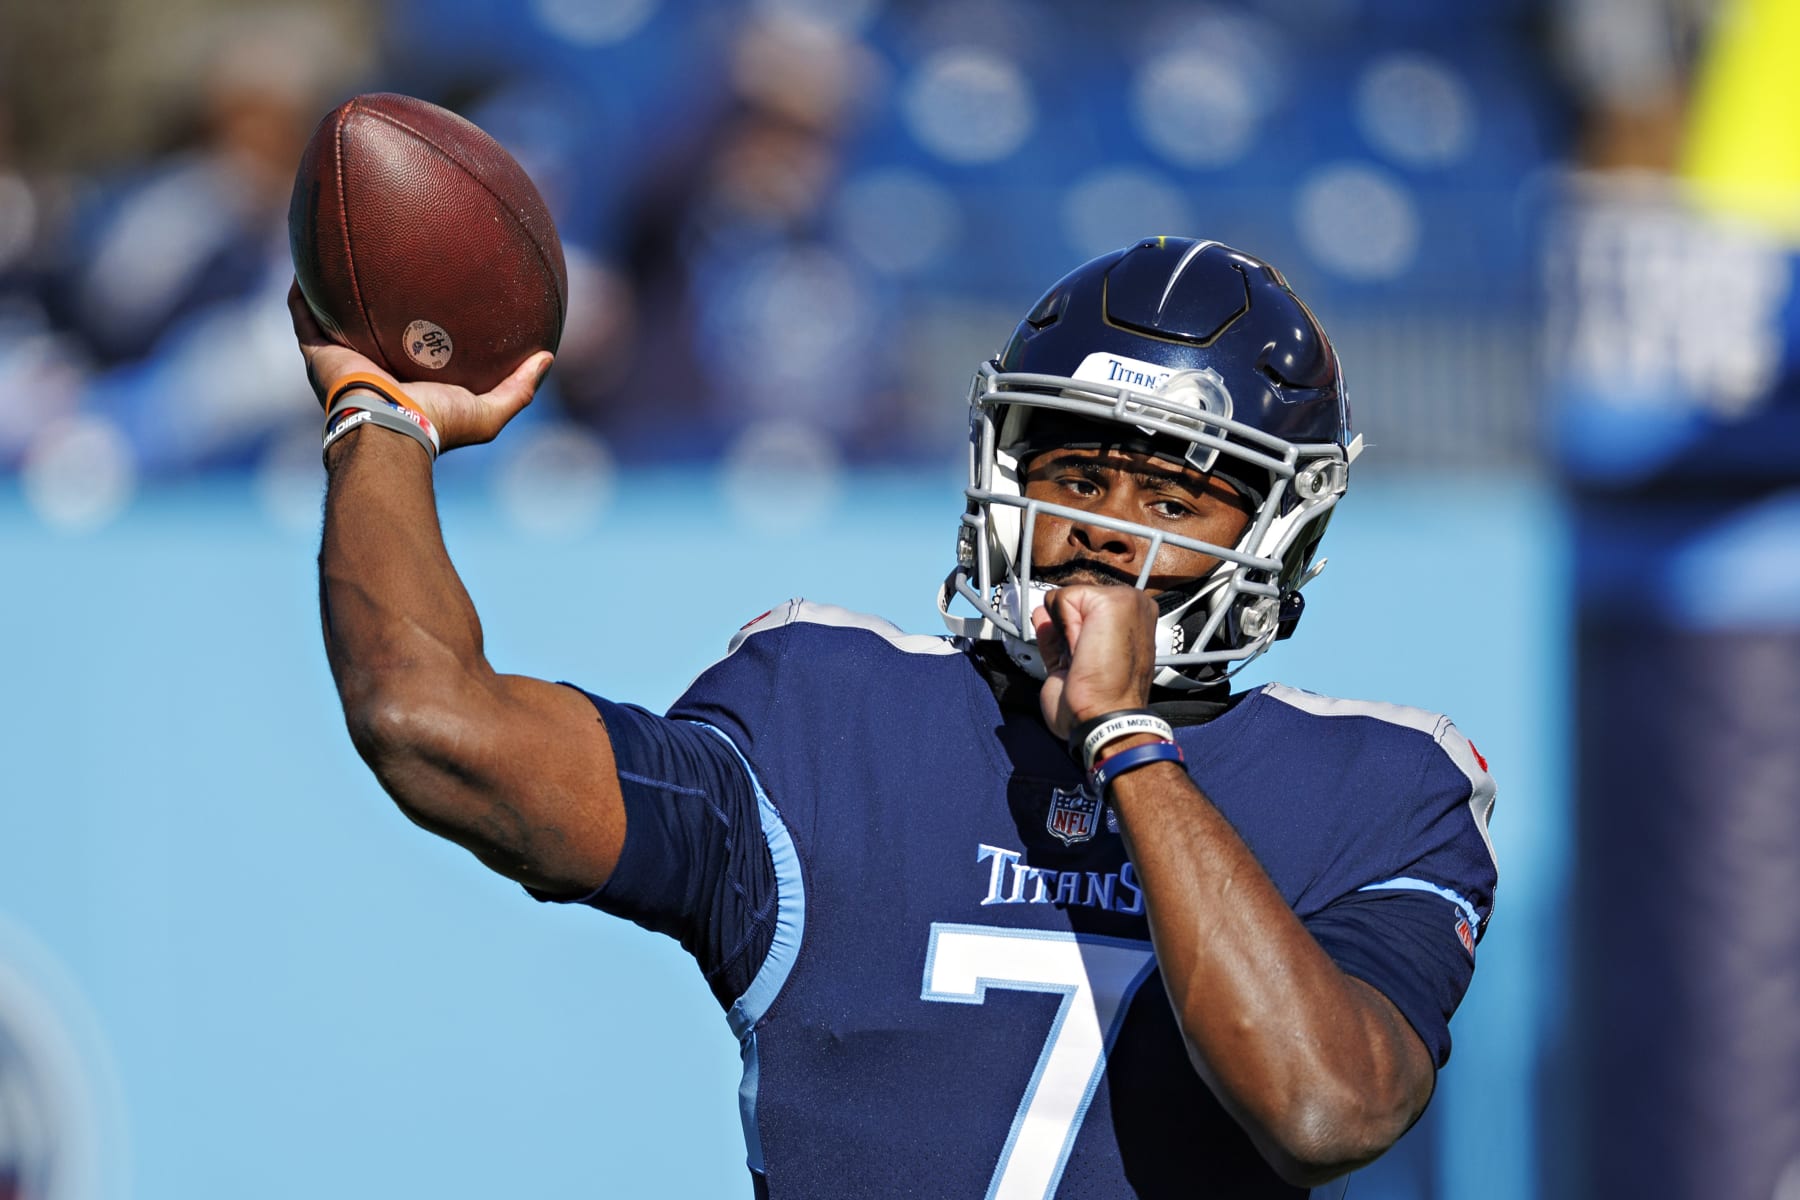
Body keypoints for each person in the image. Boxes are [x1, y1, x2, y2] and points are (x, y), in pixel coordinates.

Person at [291, 236, 1497, 1199]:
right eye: (1077, 480)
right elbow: (429, 721)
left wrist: (1128, 744)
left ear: (1283, 535)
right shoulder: (827, 715)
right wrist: (379, 422)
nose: (1108, 535)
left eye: (1174, 502)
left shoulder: (1385, 790)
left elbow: (1324, 1106)